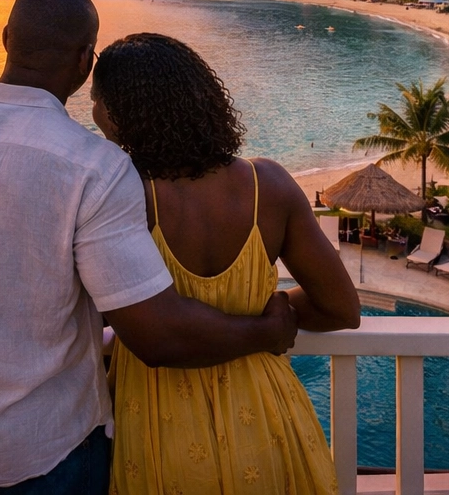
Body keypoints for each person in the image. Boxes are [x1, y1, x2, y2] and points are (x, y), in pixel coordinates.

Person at [0, 0, 298, 494]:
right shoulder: (95, 168)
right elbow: (157, 335)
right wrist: (266, 332)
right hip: (50, 449)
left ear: (6, 38)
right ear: (84, 62)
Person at [92, 32, 360, 494]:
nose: (93, 111)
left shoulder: (124, 195)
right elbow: (341, 308)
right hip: (267, 416)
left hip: (159, 426)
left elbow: (104, 315)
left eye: (97, 101)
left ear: (119, 112)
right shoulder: (268, 184)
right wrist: (263, 313)